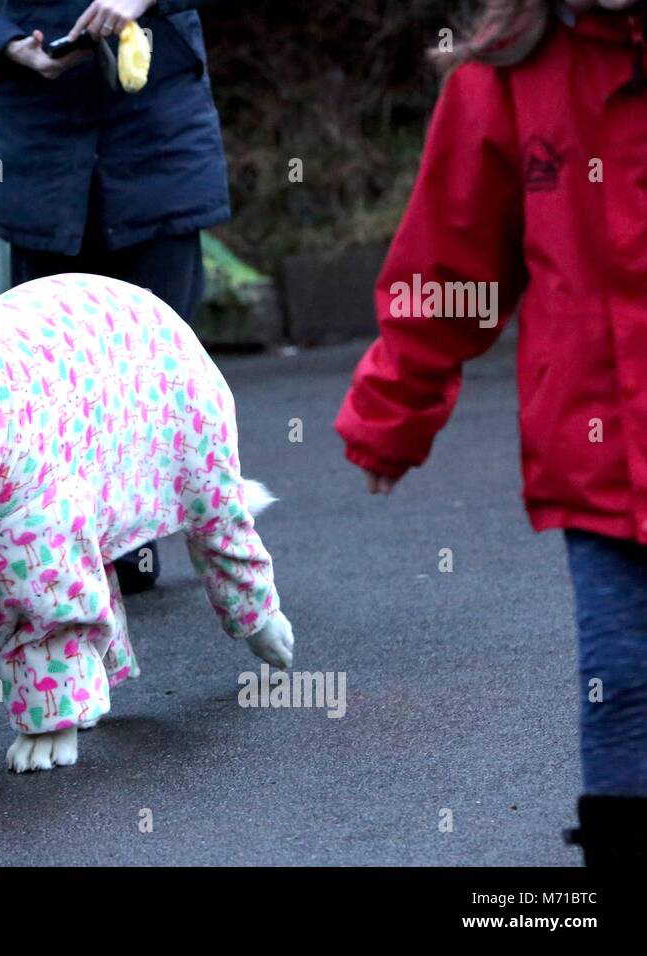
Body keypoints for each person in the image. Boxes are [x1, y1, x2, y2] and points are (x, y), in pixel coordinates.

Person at [334, 0, 647, 866]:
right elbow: (451, 262)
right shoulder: (505, 76)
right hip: (605, 455)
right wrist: (391, 414)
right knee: (621, 683)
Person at [0, 0, 233, 593]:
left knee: (165, 362)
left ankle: (184, 537)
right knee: (48, 376)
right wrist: (11, 45)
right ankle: (68, 548)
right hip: (39, 139)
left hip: (157, 127)